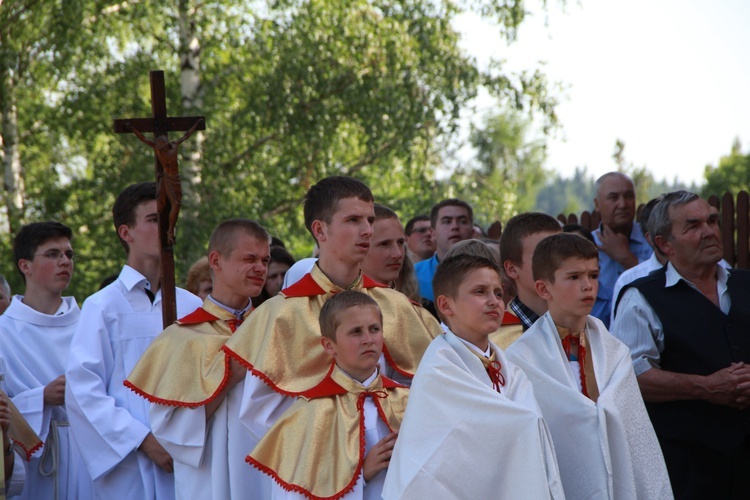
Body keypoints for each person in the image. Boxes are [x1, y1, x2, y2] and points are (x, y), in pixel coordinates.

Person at [223, 176, 439, 444]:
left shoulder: (398, 307)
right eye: (353, 220)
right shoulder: (279, 315)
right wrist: (346, 453)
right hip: (319, 472)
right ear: (320, 230)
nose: (367, 231)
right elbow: (263, 413)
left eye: (370, 220)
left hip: (394, 461)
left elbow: (428, 391)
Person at [383, 254, 564, 499]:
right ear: (446, 305)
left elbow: (528, 428)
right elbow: (442, 456)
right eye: (480, 292)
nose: (494, 301)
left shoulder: (513, 371)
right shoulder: (438, 369)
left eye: (499, 293)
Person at [506, 233, 671, 499]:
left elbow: (637, 439)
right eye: (574, 277)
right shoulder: (521, 359)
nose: (588, 286)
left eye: (593, 275)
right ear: (544, 288)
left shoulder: (616, 353)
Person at [66, 182, 202, 500]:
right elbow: (83, 389)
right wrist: (142, 440)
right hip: (129, 463)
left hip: (187, 457)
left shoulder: (192, 306)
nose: (166, 227)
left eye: (169, 218)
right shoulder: (102, 307)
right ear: (126, 233)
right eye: (154, 219)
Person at [610, 191, 750, 499]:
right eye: (693, 225)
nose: (710, 231)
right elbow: (631, 376)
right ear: (664, 244)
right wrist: (706, 386)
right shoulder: (640, 297)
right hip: (688, 469)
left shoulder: (746, 284)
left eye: (712, 221)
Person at [125, 219, 272, 499]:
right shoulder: (183, 338)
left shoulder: (277, 330)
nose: (260, 269)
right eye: (249, 259)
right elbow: (170, 432)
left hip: (266, 477)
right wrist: (228, 379)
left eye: (265, 260)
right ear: (216, 260)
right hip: (209, 478)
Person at [248, 291, 408, 499]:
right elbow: (297, 493)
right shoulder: (309, 413)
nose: (368, 339)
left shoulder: (407, 399)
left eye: (374, 329)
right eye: (356, 332)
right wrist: (362, 475)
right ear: (329, 345)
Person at [0, 222, 93, 499]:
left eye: (68, 255)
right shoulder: (3, 332)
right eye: (52, 254)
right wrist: (41, 398)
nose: (65, 262)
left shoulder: (90, 325)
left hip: (89, 454)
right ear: (25, 266)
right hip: (34, 461)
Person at [591, 172, 652, 328]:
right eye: (613, 198)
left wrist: (626, 257)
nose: (623, 204)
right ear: (597, 204)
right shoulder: (585, 246)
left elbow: (666, 288)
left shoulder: (654, 242)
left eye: (629, 196)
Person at [493, 212, 561, 349]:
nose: (559, 263)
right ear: (512, 269)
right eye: (543, 254)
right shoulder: (496, 344)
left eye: (564, 253)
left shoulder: (588, 329)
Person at [414, 198, 474, 302]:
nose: (455, 226)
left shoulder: (490, 273)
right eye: (447, 222)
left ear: (473, 232)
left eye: (462, 221)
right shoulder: (413, 275)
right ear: (433, 233)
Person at [360, 204, 406, 287]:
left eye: (400, 243)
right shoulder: (336, 298)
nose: (398, 254)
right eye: (384, 244)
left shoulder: (409, 299)